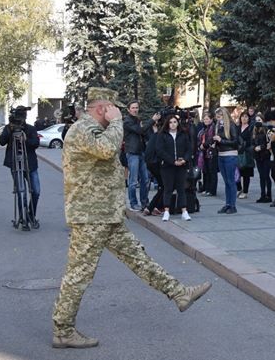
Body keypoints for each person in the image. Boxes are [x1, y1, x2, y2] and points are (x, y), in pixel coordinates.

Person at [51, 88, 211, 348]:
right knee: (79, 274)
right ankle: (63, 330)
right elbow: (106, 149)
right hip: (91, 217)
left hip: (106, 214)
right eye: (113, 107)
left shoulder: (95, 129)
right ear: (102, 108)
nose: (118, 112)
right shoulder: (83, 129)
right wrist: (116, 122)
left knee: (138, 257)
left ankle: (179, 293)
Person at [0, 107, 42, 227]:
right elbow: (1, 142)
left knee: (36, 191)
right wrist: (9, 130)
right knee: (21, 192)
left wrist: (26, 139)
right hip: (15, 164)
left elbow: (36, 144)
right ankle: (23, 218)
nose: (19, 121)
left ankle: (31, 215)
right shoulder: (9, 128)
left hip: (30, 165)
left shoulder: (31, 129)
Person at [155, 114, 193, 222]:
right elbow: (160, 150)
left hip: (181, 165)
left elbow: (189, 149)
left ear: (178, 123)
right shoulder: (162, 135)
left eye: (175, 122)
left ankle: (184, 211)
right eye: (170, 122)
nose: (173, 124)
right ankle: (166, 211)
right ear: (167, 124)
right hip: (167, 166)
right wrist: (172, 161)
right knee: (168, 188)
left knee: (181, 188)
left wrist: (185, 159)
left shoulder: (183, 134)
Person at [123, 101, 153, 211]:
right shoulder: (127, 121)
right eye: (133, 108)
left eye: (136, 107)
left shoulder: (138, 120)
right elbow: (140, 130)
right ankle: (133, 203)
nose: (135, 110)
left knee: (145, 179)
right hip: (132, 153)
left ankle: (144, 202)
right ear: (128, 109)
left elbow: (144, 133)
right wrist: (152, 120)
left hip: (141, 152)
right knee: (133, 181)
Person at [214, 107, 241, 214]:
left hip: (230, 155)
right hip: (221, 155)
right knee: (226, 182)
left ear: (224, 116)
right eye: (217, 117)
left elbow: (235, 142)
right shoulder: (218, 126)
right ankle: (228, 204)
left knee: (231, 181)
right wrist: (215, 143)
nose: (218, 119)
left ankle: (233, 206)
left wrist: (221, 140)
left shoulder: (231, 125)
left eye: (220, 116)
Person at [197, 112, 219, 197]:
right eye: (204, 119)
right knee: (206, 171)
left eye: (207, 119)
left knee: (212, 172)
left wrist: (204, 145)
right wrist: (200, 145)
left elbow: (211, 139)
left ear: (211, 119)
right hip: (204, 153)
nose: (205, 120)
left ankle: (212, 190)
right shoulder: (204, 128)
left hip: (211, 152)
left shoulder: (213, 128)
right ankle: (207, 188)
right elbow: (200, 139)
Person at [252, 120, 273, 204]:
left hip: (266, 156)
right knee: (261, 176)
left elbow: (269, 143)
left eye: (259, 120)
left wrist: (261, 147)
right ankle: (262, 195)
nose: (258, 122)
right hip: (258, 156)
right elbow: (251, 143)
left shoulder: (266, 131)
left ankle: (269, 195)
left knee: (266, 175)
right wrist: (254, 148)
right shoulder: (254, 132)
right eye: (256, 120)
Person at [236, 111, 255, 199]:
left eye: (246, 117)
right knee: (236, 172)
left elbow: (251, 140)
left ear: (249, 118)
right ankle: (239, 188)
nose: (244, 118)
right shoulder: (237, 128)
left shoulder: (250, 128)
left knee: (246, 174)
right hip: (237, 152)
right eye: (242, 116)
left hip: (246, 153)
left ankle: (245, 191)